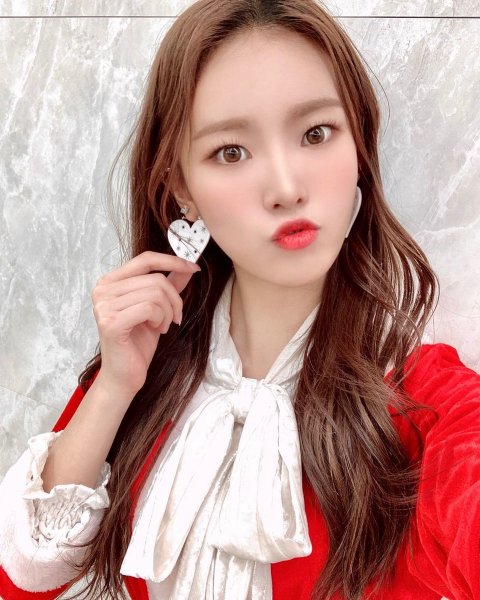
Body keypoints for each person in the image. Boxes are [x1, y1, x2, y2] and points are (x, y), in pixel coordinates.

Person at [0, 0, 478, 599]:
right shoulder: (151, 370)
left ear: (358, 144)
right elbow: (22, 581)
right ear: (182, 188)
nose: (286, 187)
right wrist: (115, 385)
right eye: (231, 151)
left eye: (316, 133)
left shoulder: (423, 396)